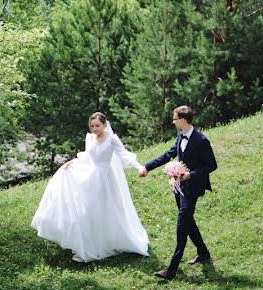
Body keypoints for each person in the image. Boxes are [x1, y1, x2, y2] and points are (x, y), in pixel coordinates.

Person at [31, 112, 149, 262]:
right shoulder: (90, 138)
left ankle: (101, 243)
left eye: (97, 126)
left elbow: (124, 154)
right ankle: (84, 244)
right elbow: (88, 156)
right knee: (86, 210)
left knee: (101, 211)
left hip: (105, 179)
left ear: (105, 124)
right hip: (89, 177)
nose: (94, 129)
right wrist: (72, 162)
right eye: (92, 126)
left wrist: (140, 167)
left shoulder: (112, 139)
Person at [138, 105, 217, 280]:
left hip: (192, 189)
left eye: (174, 119)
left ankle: (172, 269)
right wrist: (147, 167)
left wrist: (190, 175)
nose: (173, 122)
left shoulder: (201, 140)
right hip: (179, 188)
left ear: (182, 120)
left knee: (182, 226)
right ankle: (203, 252)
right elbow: (169, 154)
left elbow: (212, 165)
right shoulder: (180, 135)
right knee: (188, 222)